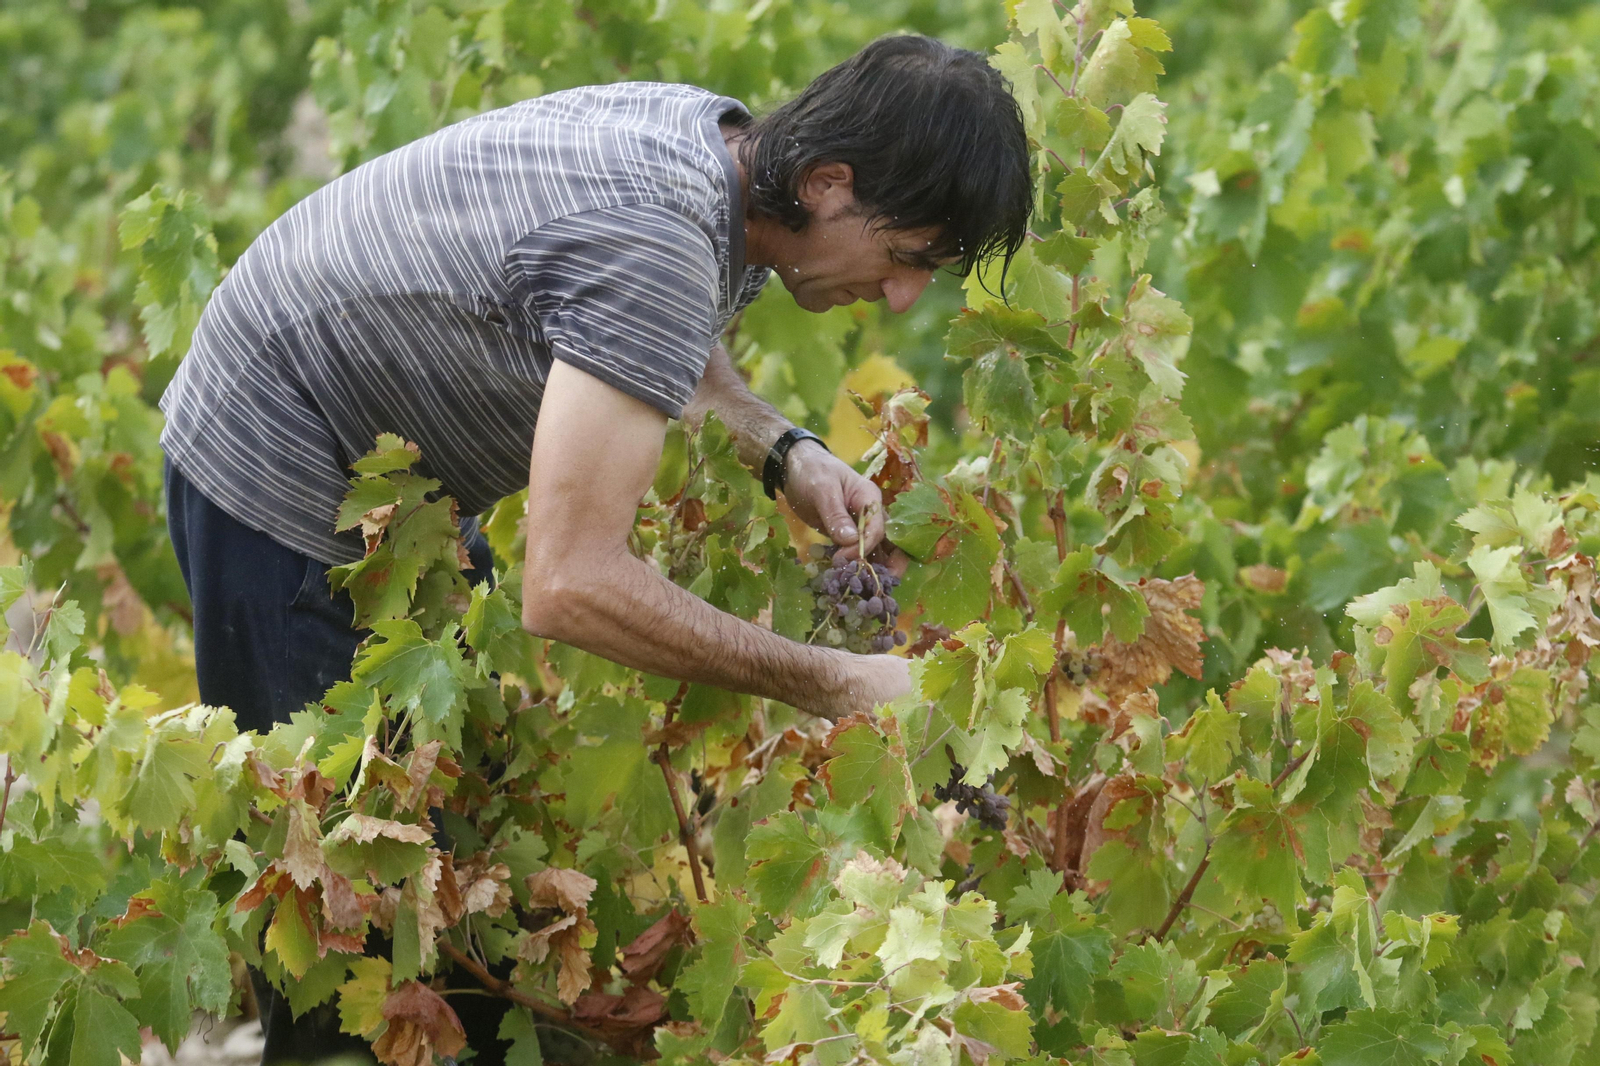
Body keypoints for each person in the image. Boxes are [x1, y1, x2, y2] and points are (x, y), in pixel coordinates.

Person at [160, 32, 1031, 1063]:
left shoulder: (726, 152)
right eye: (906, 257)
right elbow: (569, 583)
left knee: (460, 888)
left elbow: (663, 325)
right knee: (353, 937)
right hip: (275, 468)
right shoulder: (661, 235)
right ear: (832, 183)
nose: (901, 296)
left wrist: (778, 447)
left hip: (400, 501)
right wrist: (832, 679)